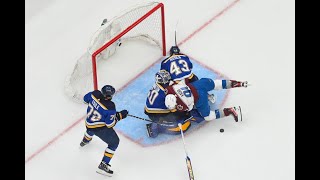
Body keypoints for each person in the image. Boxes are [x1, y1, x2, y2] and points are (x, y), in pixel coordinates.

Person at [79, 85, 128, 176]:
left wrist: (96, 105)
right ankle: (103, 164)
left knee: (90, 128)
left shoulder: (95, 94)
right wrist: (119, 116)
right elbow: (110, 124)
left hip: (88, 122)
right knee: (114, 143)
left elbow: (85, 99)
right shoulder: (110, 106)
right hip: (99, 128)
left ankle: (85, 141)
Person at [165, 78, 248, 123]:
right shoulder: (170, 89)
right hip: (198, 84)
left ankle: (230, 111)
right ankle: (239, 83)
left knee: (208, 116)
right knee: (216, 84)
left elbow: (190, 107)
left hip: (200, 97)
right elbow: (177, 82)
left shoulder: (181, 106)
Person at [144, 70, 192, 138]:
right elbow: (171, 106)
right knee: (180, 116)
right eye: (167, 78)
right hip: (155, 115)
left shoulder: (157, 84)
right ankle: (156, 126)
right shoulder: (165, 91)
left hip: (148, 110)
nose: (169, 79)